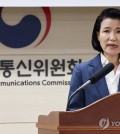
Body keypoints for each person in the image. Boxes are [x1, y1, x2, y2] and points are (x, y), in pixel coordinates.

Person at [66, 8, 120, 111]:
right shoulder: (82, 71)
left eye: (119, 31)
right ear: (98, 35)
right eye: (106, 31)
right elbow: (73, 111)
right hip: (92, 127)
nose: (112, 37)